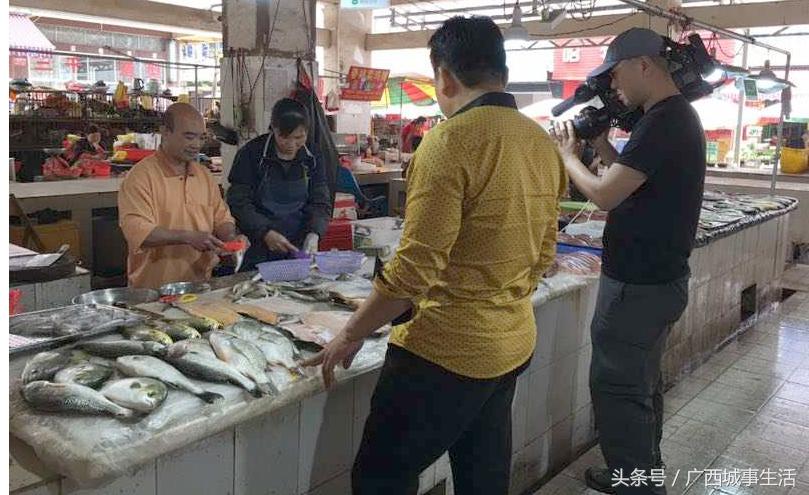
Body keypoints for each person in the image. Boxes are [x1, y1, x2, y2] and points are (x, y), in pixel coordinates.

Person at [303, 16, 565, 495]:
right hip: (512, 341)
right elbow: (545, 250)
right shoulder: (540, 142)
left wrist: (350, 333)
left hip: (445, 351)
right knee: (482, 477)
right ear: (501, 72)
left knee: (381, 477)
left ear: (444, 76)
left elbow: (412, 273)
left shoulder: (449, 141)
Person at [550, 28, 706, 494]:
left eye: (616, 74)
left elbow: (604, 193)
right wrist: (599, 148)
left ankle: (636, 485)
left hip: (637, 287)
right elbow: (632, 178)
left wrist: (565, 155)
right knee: (641, 384)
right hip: (659, 282)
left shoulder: (662, 121)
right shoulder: (672, 118)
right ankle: (638, 473)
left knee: (618, 389)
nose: (614, 87)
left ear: (644, 65)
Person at [118, 103, 245, 289]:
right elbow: (140, 233)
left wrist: (232, 238)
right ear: (165, 132)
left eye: (201, 138)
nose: (196, 145)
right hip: (152, 292)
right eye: (189, 136)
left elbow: (221, 219)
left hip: (200, 288)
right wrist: (188, 237)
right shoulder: (140, 177)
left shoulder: (204, 176)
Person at [226, 98, 331, 271]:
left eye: (299, 137)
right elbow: (238, 202)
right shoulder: (252, 154)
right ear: (274, 129)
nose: (291, 145)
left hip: (298, 247)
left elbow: (320, 201)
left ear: (307, 131)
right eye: (285, 137)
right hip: (258, 247)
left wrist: (314, 233)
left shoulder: (313, 157)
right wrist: (264, 232)